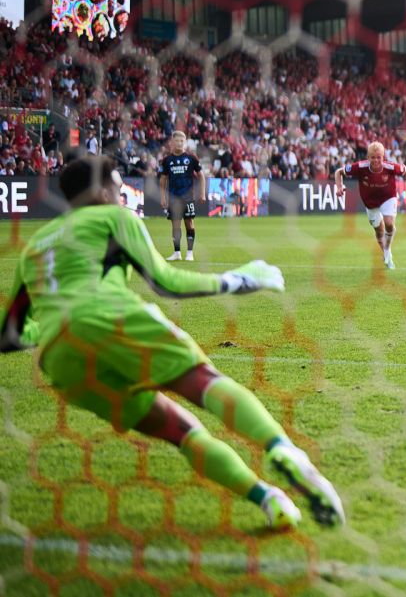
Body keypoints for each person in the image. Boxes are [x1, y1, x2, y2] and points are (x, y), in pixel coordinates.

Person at [1, 157, 344, 529]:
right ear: (102, 192)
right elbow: (166, 282)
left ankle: (269, 499)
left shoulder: (35, 244)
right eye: (118, 187)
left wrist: (60, 327)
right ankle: (283, 450)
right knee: (204, 383)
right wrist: (238, 280)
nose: (122, 195)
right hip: (112, 317)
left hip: (62, 360)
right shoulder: (113, 218)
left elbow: (11, 335)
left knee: (182, 433)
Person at [333, 142, 406, 270]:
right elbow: (339, 172)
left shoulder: (391, 167)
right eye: (373, 157)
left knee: (389, 224)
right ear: (368, 157)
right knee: (379, 231)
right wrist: (339, 187)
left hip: (388, 198)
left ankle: (387, 251)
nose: (376, 160)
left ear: (383, 157)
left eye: (379, 157)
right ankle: (385, 252)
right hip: (370, 203)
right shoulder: (360, 167)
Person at [159, 131, 204, 261]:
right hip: (173, 198)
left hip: (188, 197)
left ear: (184, 143)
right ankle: (177, 253)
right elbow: (163, 180)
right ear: (172, 143)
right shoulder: (167, 160)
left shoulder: (191, 158)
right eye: (177, 141)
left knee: (189, 223)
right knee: (175, 225)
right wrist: (162, 197)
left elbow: (201, 175)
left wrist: (202, 193)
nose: (179, 143)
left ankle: (190, 253)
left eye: (181, 141)